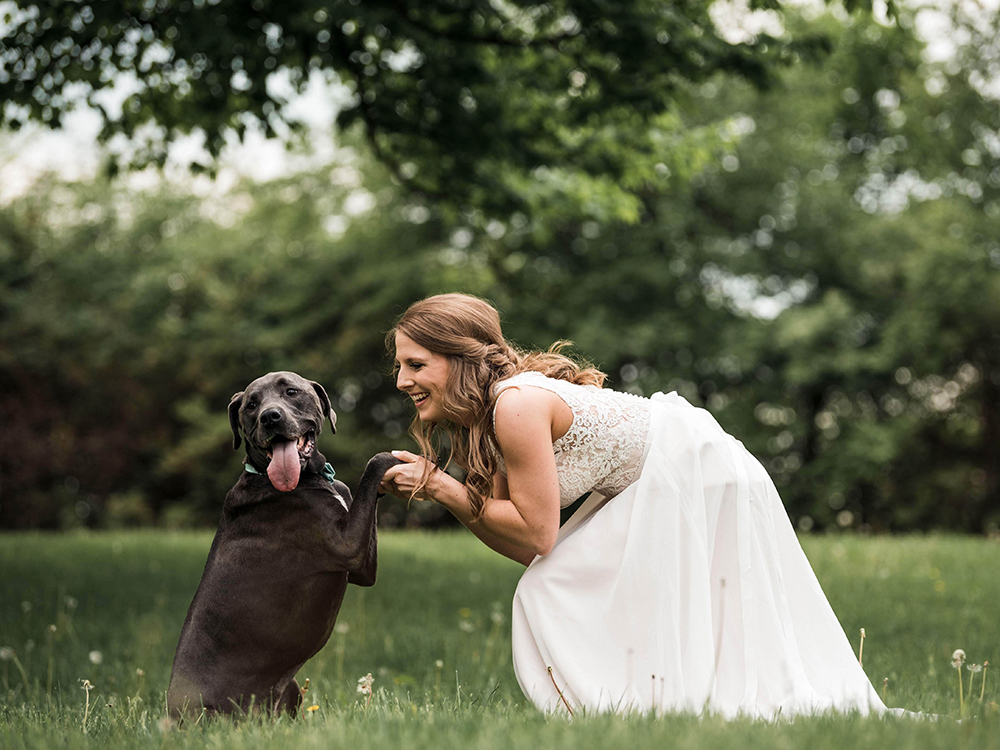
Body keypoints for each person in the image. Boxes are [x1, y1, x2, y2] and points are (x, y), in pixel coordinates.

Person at [380, 292, 894, 718]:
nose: (402, 381)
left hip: (697, 473)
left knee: (554, 586)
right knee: (547, 581)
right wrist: (449, 492)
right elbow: (518, 543)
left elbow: (537, 536)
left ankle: (624, 712)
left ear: (462, 357)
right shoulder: (487, 416)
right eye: (401, 366)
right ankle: (638, 712)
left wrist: (445, 490)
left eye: (416, 364)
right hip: (655, 482)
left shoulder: (515, 405)